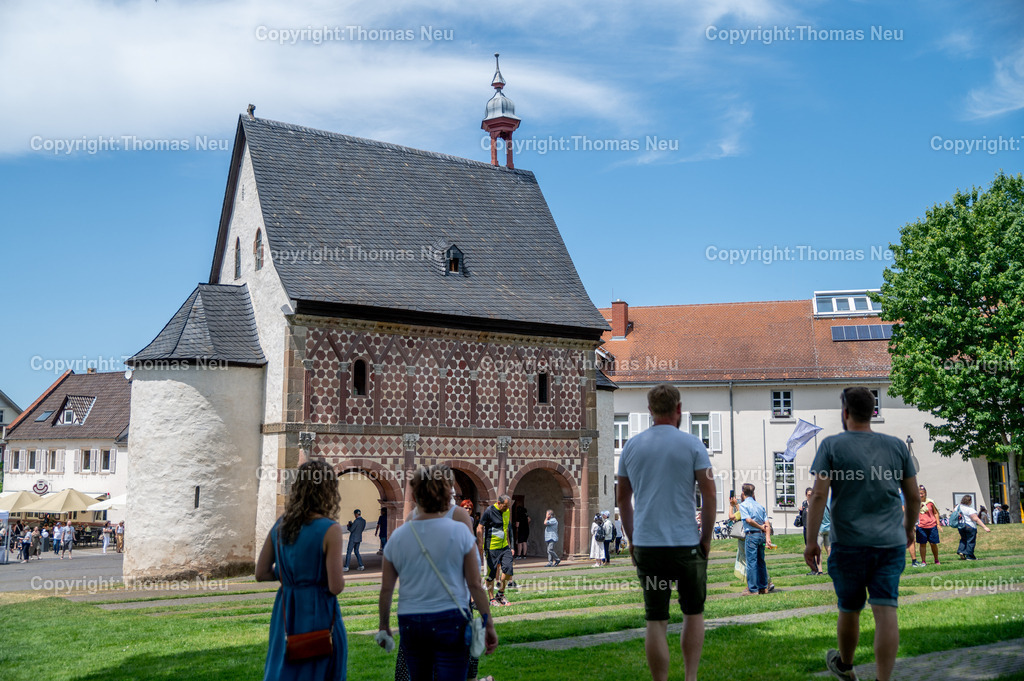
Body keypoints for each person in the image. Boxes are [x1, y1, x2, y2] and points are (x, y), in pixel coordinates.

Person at [804, 386, 919, 681]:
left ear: (845, 412)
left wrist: (811, 542)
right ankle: (883, 679)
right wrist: (909, 530)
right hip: (890, 543)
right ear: (873, 412)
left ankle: (846, 666)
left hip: (849, 544)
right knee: (886, 609)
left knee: (849, 608)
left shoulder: (831, 446)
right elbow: (914, 497)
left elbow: (818, 496)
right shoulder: (896, 447)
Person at [617, 383, 716, 681]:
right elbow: (710, 494)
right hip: (686, 543)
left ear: (649, 411)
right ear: (679, 409)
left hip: (649, 544)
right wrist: (706, 539)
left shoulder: (631, 446)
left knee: (656, 620)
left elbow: (622, 497)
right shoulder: (694, 444)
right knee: (693, 613)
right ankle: (690, 677)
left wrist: (633, 539)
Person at [378, 465, 498, 680]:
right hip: (450, 615)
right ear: (447, 493)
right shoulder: (460, 529)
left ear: (414, 495)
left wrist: (384, 625)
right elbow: (474, 583)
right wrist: (487, 622)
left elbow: (386, 587)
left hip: (411, 618)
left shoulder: (400, 534)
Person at [255, 459, 347, 681]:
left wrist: (289, 576)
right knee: (317, 667)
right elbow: (335, 587)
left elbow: (261, 573)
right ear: (328, 490)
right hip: (319, 611)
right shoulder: (330, 529)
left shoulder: (281, 524)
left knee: (284, 666)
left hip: (286, 609)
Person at [731, 484, 769, 594]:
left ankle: (753, 589)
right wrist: (765, 533)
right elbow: (766, 522)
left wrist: (760, 527)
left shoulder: (743, 505)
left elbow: (748, 520)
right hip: (761, 536)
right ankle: (763, 587)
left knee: (751, 562)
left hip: (751, 535)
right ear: (753, 493)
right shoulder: (760, 506)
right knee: (761, 561)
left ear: (743, 493)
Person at [480, 495, 515, 605]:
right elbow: (480, 527)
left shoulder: (507, 511)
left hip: (504, 546)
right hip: (491, 547)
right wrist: (480, 545)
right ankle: (491, 599)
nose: (506, 508)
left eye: (508, 506)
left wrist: (511, 546)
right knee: (491, 573)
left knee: (508, 569)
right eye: (505, 506)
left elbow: (507, 529)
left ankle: (500, 594)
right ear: (498, 503)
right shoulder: (489, 511)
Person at [955, 495, 991, 561]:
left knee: (963, 539)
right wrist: (985, 527)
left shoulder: (958, 507)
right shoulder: (970, 509)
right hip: (970, 526)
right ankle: (970, 556)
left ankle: (961, 551)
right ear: (969, 501)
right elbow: (975, 519)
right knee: (970, 541)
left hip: (961, 526)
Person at [912, 485, 940, 567]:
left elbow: (936, 513)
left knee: (933, 543)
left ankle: (936, 559)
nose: (921, 495)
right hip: (921, 526)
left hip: (932, 525)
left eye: (922, 493)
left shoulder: (930, 502)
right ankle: (923, 561)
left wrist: (938, 523)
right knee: (922, 544)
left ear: (925, 493)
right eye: (919, 493)